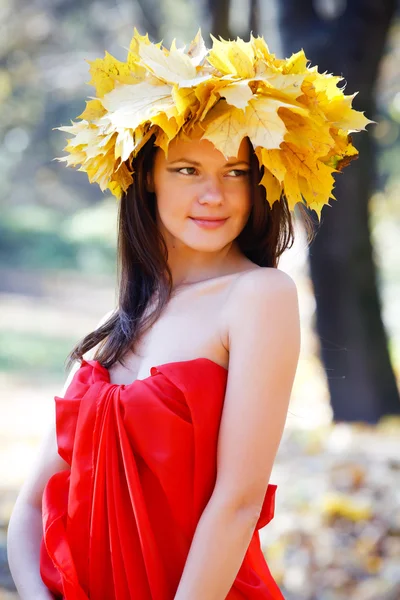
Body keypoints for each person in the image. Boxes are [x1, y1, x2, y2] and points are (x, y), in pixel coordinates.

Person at [7, 29, 370, 600]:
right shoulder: (115, 325)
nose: (214, 195)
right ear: (146, 175)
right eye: (187, 170)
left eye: (236, 172)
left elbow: (238, 501)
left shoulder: (259, 296)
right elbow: (31, 505)